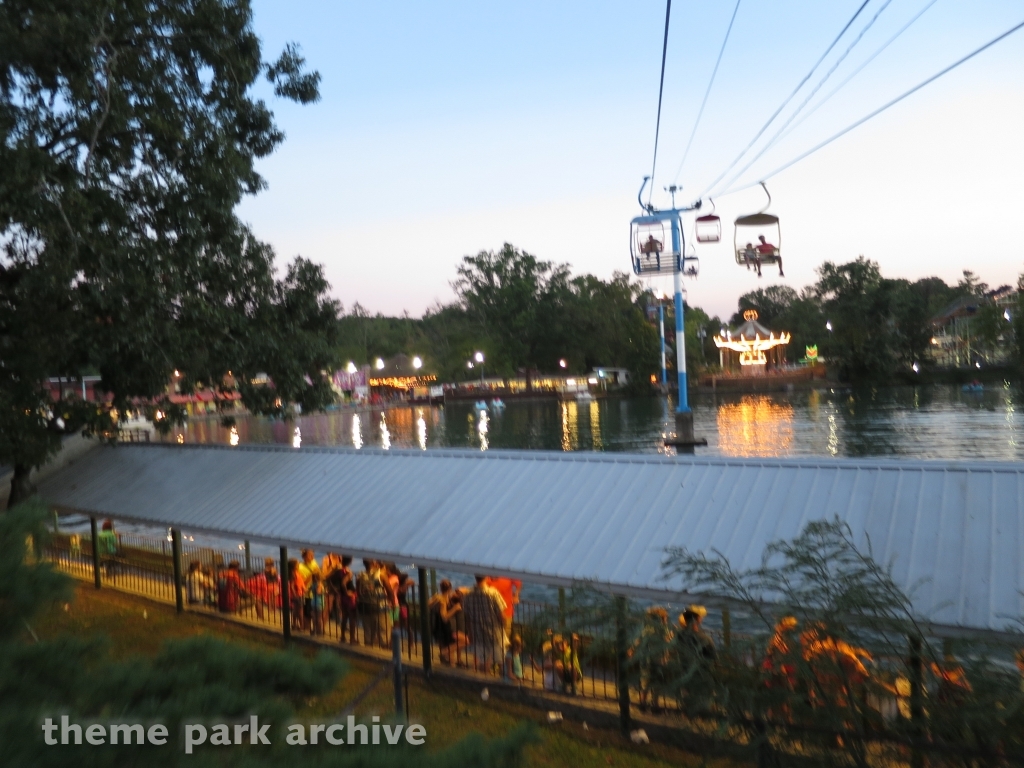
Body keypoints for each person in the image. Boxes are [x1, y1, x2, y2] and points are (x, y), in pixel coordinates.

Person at [462, 575, 507, 675]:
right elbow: (501, 614)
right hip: (495, 631)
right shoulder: (493, 593)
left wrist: (470, 633)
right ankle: (503, 680)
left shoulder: (468, 594)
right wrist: (504, 626)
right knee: (501, 660)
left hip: (477, 632)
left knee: (482, 660)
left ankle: (484, 680)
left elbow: (467, 616)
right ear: (486, 577)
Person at [429, 579, 464, 664]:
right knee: (450, 651)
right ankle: (450, 663)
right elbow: (444, 617)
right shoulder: (444, 600)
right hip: (446, 627)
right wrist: (455, 609)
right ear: (450, 588)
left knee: (446, 650)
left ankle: (447, 661)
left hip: (439, 627)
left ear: (440, 588)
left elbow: (427, 605)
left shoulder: (438, 597)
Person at [356, 560, 388, 648]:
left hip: (365, 607)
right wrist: (392, 604)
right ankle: (384, 654)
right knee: (384, 633)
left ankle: (368, 650)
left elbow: (358, 592)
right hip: (380, 607)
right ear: (374, 563)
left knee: (368, 634)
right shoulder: (381, 575)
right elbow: (389, 590)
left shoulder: (360, 576)